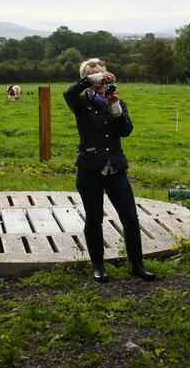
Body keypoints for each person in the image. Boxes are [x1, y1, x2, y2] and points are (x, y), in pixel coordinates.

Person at [63, 58, 155, 283]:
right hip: (90, 171)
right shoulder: (82, 103)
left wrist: (116, 108)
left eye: (103, 77)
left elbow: (126, 131)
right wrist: (90, 80)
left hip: (116, 169)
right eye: (97, 79)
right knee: (94, 220)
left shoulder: (116, 102)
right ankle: (98, 266)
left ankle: (137, 265)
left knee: (131, 219)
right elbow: (68, 93)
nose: (102, 84)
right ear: (90, 80)